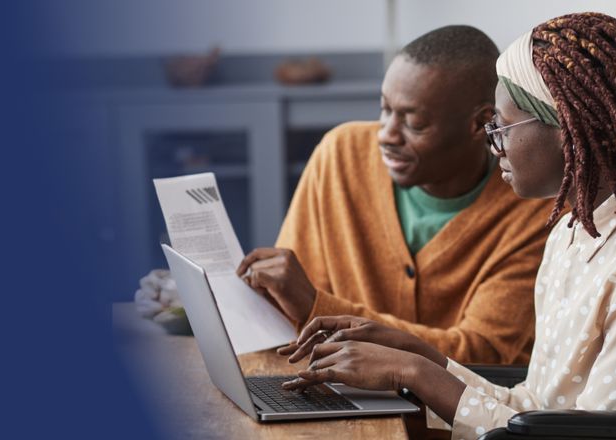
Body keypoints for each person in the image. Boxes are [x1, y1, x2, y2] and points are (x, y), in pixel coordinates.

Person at [276, 12, 616, 439]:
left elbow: (599, 439)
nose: (491, 144)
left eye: (500, 126)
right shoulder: (572, 234)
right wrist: (421, 357)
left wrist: (415, 375)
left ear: (571, 128)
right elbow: (533, 410)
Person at [233, 25, 555, 365]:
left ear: (481, 123)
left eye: (414, 124)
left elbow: (482, 355)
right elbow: (282, 311)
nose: (386, 135)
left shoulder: (533, 210)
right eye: (385, 109)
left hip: (450, 417)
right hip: (331, 391)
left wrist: (317, 307)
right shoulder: (340, 154)